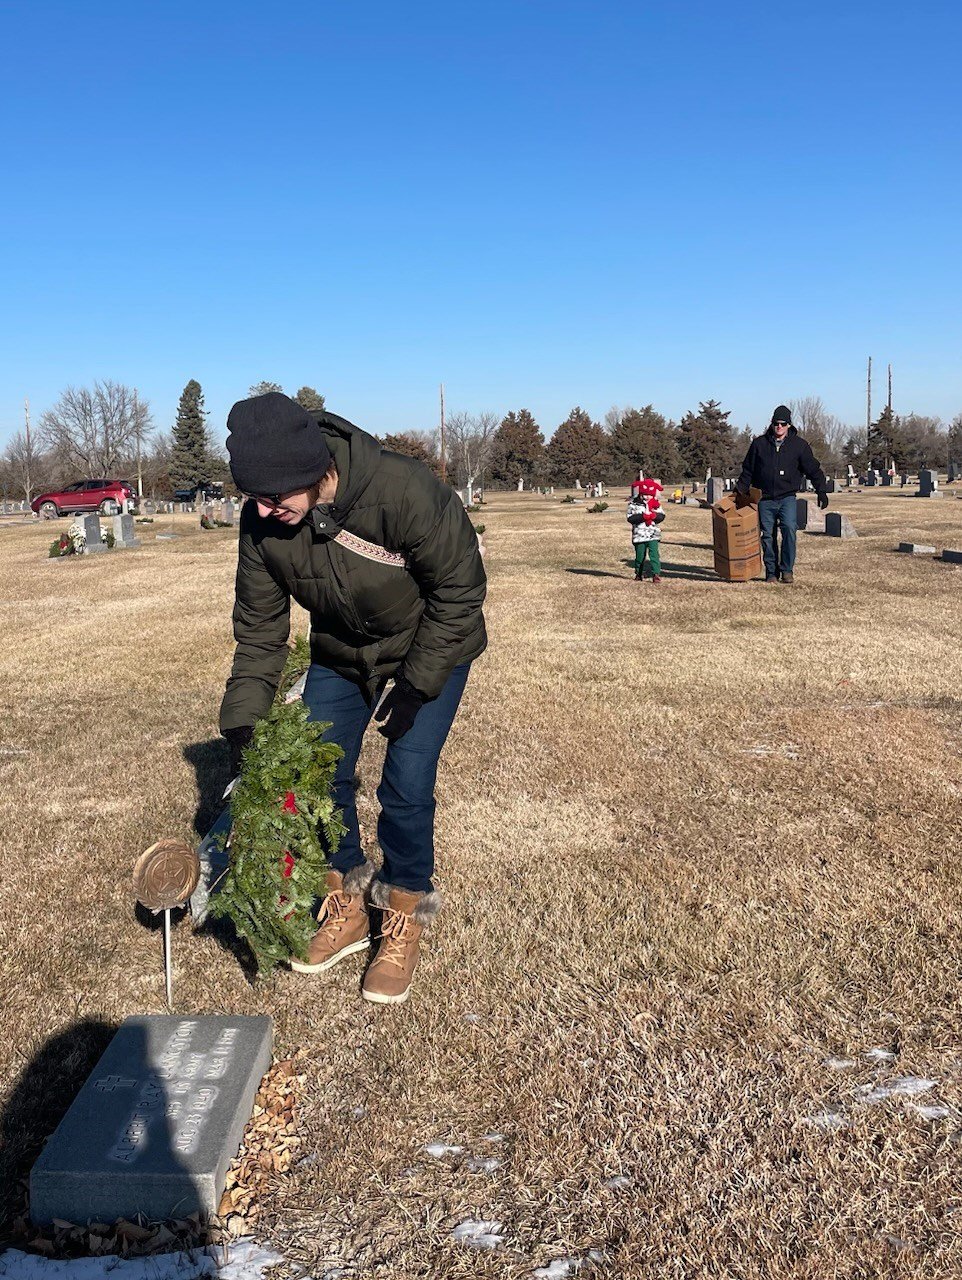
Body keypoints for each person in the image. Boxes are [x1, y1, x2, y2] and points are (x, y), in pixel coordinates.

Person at [220, 393, 487, 1004]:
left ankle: (404, 912)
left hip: (432, 644)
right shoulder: (262, 521)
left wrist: (418, 684)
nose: (264, 510)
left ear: (313, 473)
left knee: (407, 781)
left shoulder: (400, 487)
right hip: (342, 652)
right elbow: (261, 630)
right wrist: (243, 722)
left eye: (274, 496)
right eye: (254, 498)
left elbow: (460, 588)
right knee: (320, 775)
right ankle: (346, 895)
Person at [736, 404, 828, 584]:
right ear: (771, 424)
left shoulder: (799, 446)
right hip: (765, 498)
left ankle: (787, 570)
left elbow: (813, 469)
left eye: (783, 424)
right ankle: (771, 572)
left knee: (789, 529)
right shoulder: (759, 444)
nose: (779, 427)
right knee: (767, 535)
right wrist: (739, 491)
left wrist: (821, 490)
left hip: (787, 497)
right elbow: (748, 470)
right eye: (776, 423)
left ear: (789, 425)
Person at [626, 477, 665, 582]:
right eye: (644, 494)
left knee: (654, 555)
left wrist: (653, 515)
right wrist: (643, 517)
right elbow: (630, 518)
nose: (647, 497)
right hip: (639, 535)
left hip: (653, 534)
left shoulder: (656, 504)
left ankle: (656, 574)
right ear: (640, 494)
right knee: (640, 556)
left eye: (649, 495)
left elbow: (661, 516)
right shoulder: (633, 504)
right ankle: (639, 573)